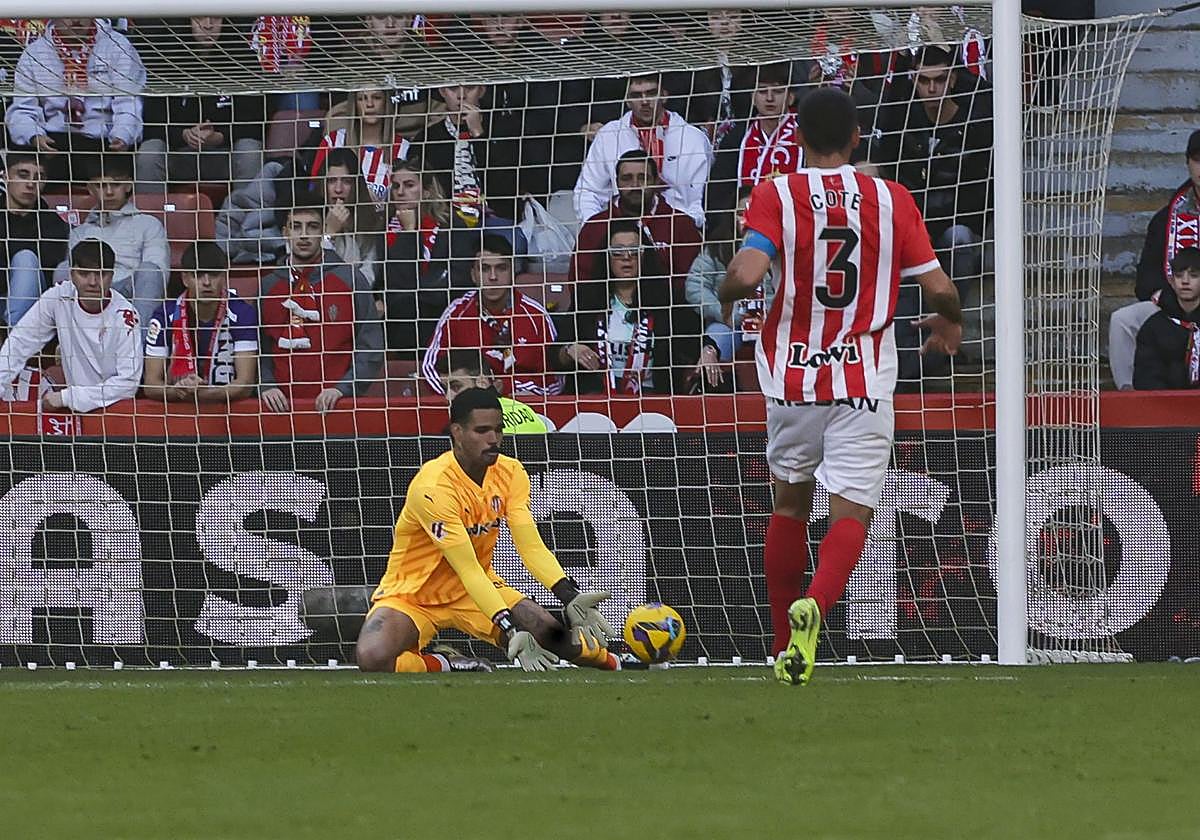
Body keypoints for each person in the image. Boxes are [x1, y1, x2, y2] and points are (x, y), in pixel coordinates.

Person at [717, 88, 962, 685]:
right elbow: (939, 288)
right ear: (857, 137)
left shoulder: (776, 193)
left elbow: (747, 274)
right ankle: (818, 606)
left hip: (793, 376)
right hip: (864, 377)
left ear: (798, 138)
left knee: (789, 502)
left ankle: (782, 644)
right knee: (850, 511)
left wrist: (727, 296)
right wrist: (950, 322)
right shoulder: (890, 197)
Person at [356, 387, 618, 673]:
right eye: (482, 431)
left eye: (498, 429)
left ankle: (616, 661)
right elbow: (467, 568)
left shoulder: (511, 472)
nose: (493, 439)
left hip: (475, 588)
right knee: (373, 657)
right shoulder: (433, 487)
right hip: (413, 594)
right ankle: (446, 662)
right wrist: (509, 628)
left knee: (553, 636)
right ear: (457, 432)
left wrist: (569, 595)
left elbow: (530, 546)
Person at [560, 219, 716, 394]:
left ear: (644, 256)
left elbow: (699, 339)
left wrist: (708, 351)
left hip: (652, 397)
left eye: (634, 250)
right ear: (607, 256)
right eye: (618, 251)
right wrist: (569, 350)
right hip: (596, 396)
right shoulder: (587, 298)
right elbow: (555, 355)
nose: (626, 257)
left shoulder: (665, 298)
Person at [258, 200, 384, 414]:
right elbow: (259, 347)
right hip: (279, 410)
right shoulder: (268, 287)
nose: (304, 235)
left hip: (338, 409)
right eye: (296, 226)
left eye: (313, 226)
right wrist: (266, 383)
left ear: (323, 231)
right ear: (285, 232)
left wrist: (343, 388)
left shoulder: (351, 281)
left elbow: (370, 345)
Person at [0, 238, 142, 412]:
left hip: (114, 409)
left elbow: (128, 384)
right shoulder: (58, 297)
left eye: (101, 274)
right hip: (74, 409)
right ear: (72, 274)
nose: (93, 282)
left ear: (111, 276)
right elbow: (19, 343)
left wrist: (67, 397)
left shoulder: (126, 316)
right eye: (84, 273)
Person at [1110, 129, 1200, 390]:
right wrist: (1172, 298)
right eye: (1197, 160)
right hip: (1175, 303)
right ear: (1187, 163)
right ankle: (1130, 400)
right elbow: (1146, 278)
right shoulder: (1165, 218)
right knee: (1122, 321)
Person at [5, 17, 146, 184]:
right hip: (53, 141)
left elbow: (129, 101)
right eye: (68, 13)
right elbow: (22, 110)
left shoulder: (118, 46)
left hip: (105, 141)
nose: (76, 19)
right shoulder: (34, 53)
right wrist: (34, 136)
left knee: (116, 171)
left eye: (82, 12)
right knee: (27, 167)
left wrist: (123, 135)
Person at [135, 17, 266, 194]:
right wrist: (183, 134)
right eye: (200, 19)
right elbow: (152, 120)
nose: (208, 25)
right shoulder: (167, 57)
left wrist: (220, 136)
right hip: (178, 154)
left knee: (250, 150)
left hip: (226, 154)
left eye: (215, 19)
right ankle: (149, 212)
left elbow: (256, 121)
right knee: (150, 151)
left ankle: (246, 211)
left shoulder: (243, 58)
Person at [422, 235, 564, 398]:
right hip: (468, 406)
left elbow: (556, 381)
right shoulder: (456, 313)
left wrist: (509, 389)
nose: (493, 277)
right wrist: (461, 395)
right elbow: (429, 369)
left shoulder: (536, 315)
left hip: (522, 406)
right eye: (484, 269)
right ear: (473, 274)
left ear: (513, 272)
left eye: (501, 268)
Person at [574, 73, 713, 228]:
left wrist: (682, 227)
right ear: (627, 101)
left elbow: (699, 200)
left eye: (651, 93)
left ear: (664, 96)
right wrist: (597, 230)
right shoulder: (608, 135)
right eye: (636, 95)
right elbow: (588, 192)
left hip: (678, 228)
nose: (645, 101)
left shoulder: (693, 138)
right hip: (621, 230)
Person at [60, 152, 169, 329]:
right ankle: (73, 338)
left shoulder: (149, 224)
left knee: (150, 271)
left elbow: (159, 275)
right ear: (90, 189)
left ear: (128, 185)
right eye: (101, 186)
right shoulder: (80, 232)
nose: (109, 192)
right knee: (63, 270)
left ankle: (138, 343)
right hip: (92, 290)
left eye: (116, 184)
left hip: (131, 292)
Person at [569, 149, 702, 293]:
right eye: (627, 178)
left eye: (643, 178)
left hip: (669, 305)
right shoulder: (595, 226)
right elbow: (580, 281)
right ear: (617, 183)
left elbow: (692, 282)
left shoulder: (680, 224)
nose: (635, 185)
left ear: (656, 181)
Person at [143, 241, 257, 403]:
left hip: (226, 410)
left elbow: (245, 385)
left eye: (214, 274)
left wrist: (199, 395)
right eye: (198, 274)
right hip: (178, 411)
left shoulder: (242, 313)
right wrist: (178, 391)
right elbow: (151, 385)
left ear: (224, 276)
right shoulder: (164, 315)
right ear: (185, 278)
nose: (206, 282)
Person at [0, 149, 71, 328]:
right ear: (6, 176)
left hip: (33, 310)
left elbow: (49, 271)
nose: (31, 183)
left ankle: (14, 339)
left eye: (39, 177)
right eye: (23, 175)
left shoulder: (53, 224)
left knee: (26, 259)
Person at [1133, 247, 1200, 391]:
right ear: (1171, 282)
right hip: (1167, 402)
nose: (1185, 281)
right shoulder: (1153, 328)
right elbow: (1146, 379)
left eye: (1193, 276)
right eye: (1179, 276)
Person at [441, 348, 548, 434]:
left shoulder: (465, 428)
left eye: (456, 387)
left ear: (482, 383)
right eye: (445, 389)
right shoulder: (524, 409)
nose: (448, 397)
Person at [320, 148, 385, 286]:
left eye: (346, 181)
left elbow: (368, 277)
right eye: (331, 181)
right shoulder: (308, 216)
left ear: (356, 185)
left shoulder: (371, 222)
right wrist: (329, 234)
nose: (338, 189)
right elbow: (312, 272)